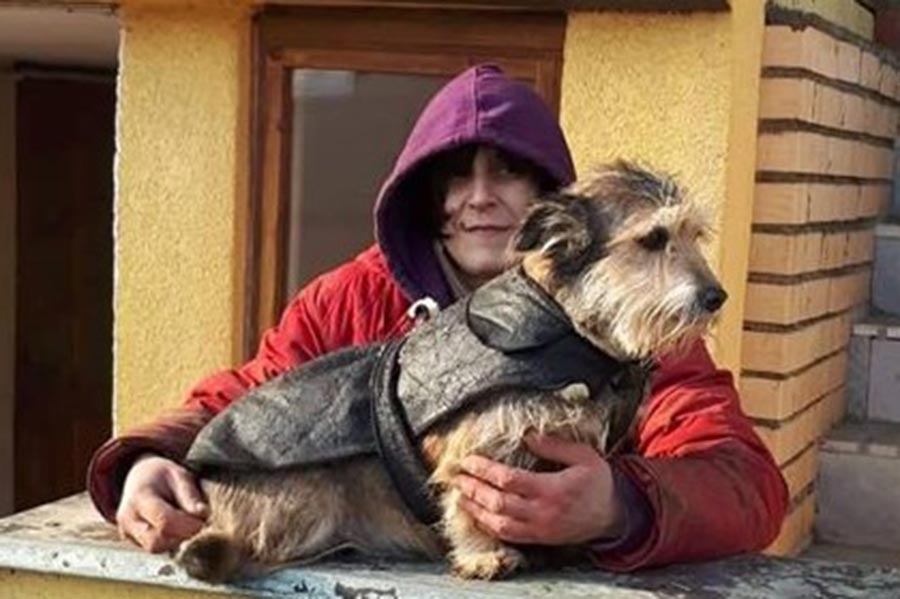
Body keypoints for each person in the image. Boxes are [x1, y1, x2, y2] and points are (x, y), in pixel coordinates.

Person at [87, 64, 788, 570]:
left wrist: (619, 505)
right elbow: (259, 395)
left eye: (508, 172)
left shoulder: (634, 329)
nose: (479, 197)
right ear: (427, 197)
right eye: (455, 175)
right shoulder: (351, 297)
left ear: (556, 211)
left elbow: (747, 486)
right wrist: (148, 460)